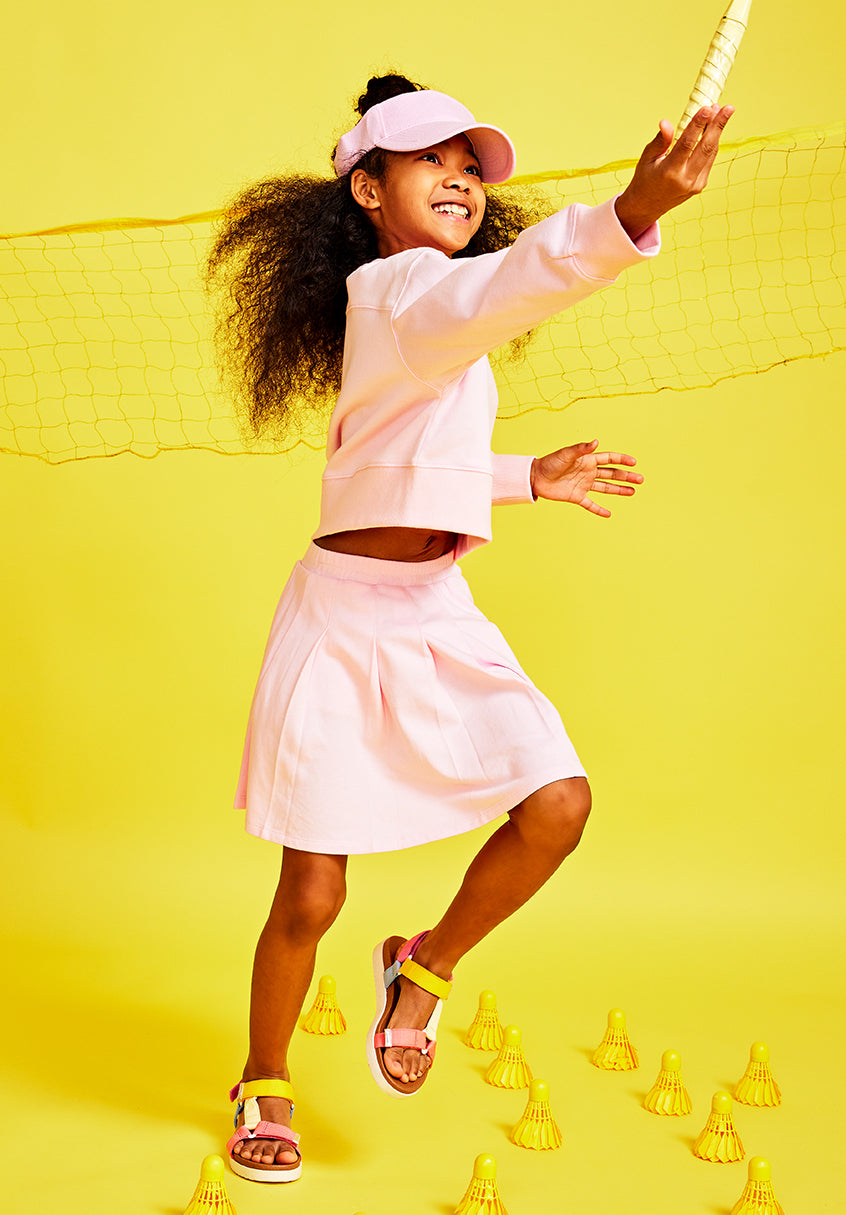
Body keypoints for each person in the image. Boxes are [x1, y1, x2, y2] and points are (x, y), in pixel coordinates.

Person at [206, 73, 733, 1183]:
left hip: (433, 609)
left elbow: (394, 458)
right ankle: (264, 1076)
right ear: (367, 190)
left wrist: (524, 476)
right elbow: (516, 280)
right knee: (312, 895)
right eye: (430, 162)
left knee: (557, 805)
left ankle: (426, 966)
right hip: (341, 622)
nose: (459, 179)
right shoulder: (402, 290)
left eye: (470, 165)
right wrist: (633, 212)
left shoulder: (426, 309)